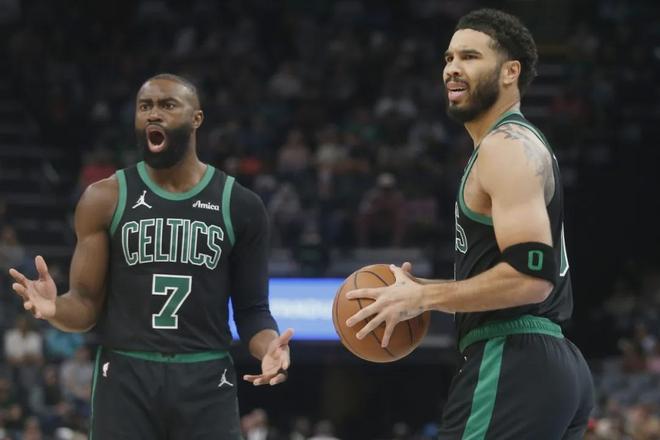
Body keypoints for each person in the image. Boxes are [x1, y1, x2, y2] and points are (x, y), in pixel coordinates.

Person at [345, 9, 594, 439]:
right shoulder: (515, 144)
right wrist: (418, 289)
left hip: (511, 358)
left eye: (470, 56)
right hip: (546, 363)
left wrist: (425, 297)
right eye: (449, 58)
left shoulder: (505, 147)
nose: (452, 68)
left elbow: (531, 277)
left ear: (510, 71)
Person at [9, 73, 293, 440]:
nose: (153, 114)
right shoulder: (104, 198)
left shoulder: (240, 205)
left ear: (196, 119)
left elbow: (252, 312)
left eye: (167, 105)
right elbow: (85, 305)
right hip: (125, 375)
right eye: (145, 107)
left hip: (205, 376)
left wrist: (269, 347)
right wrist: (54, 308)